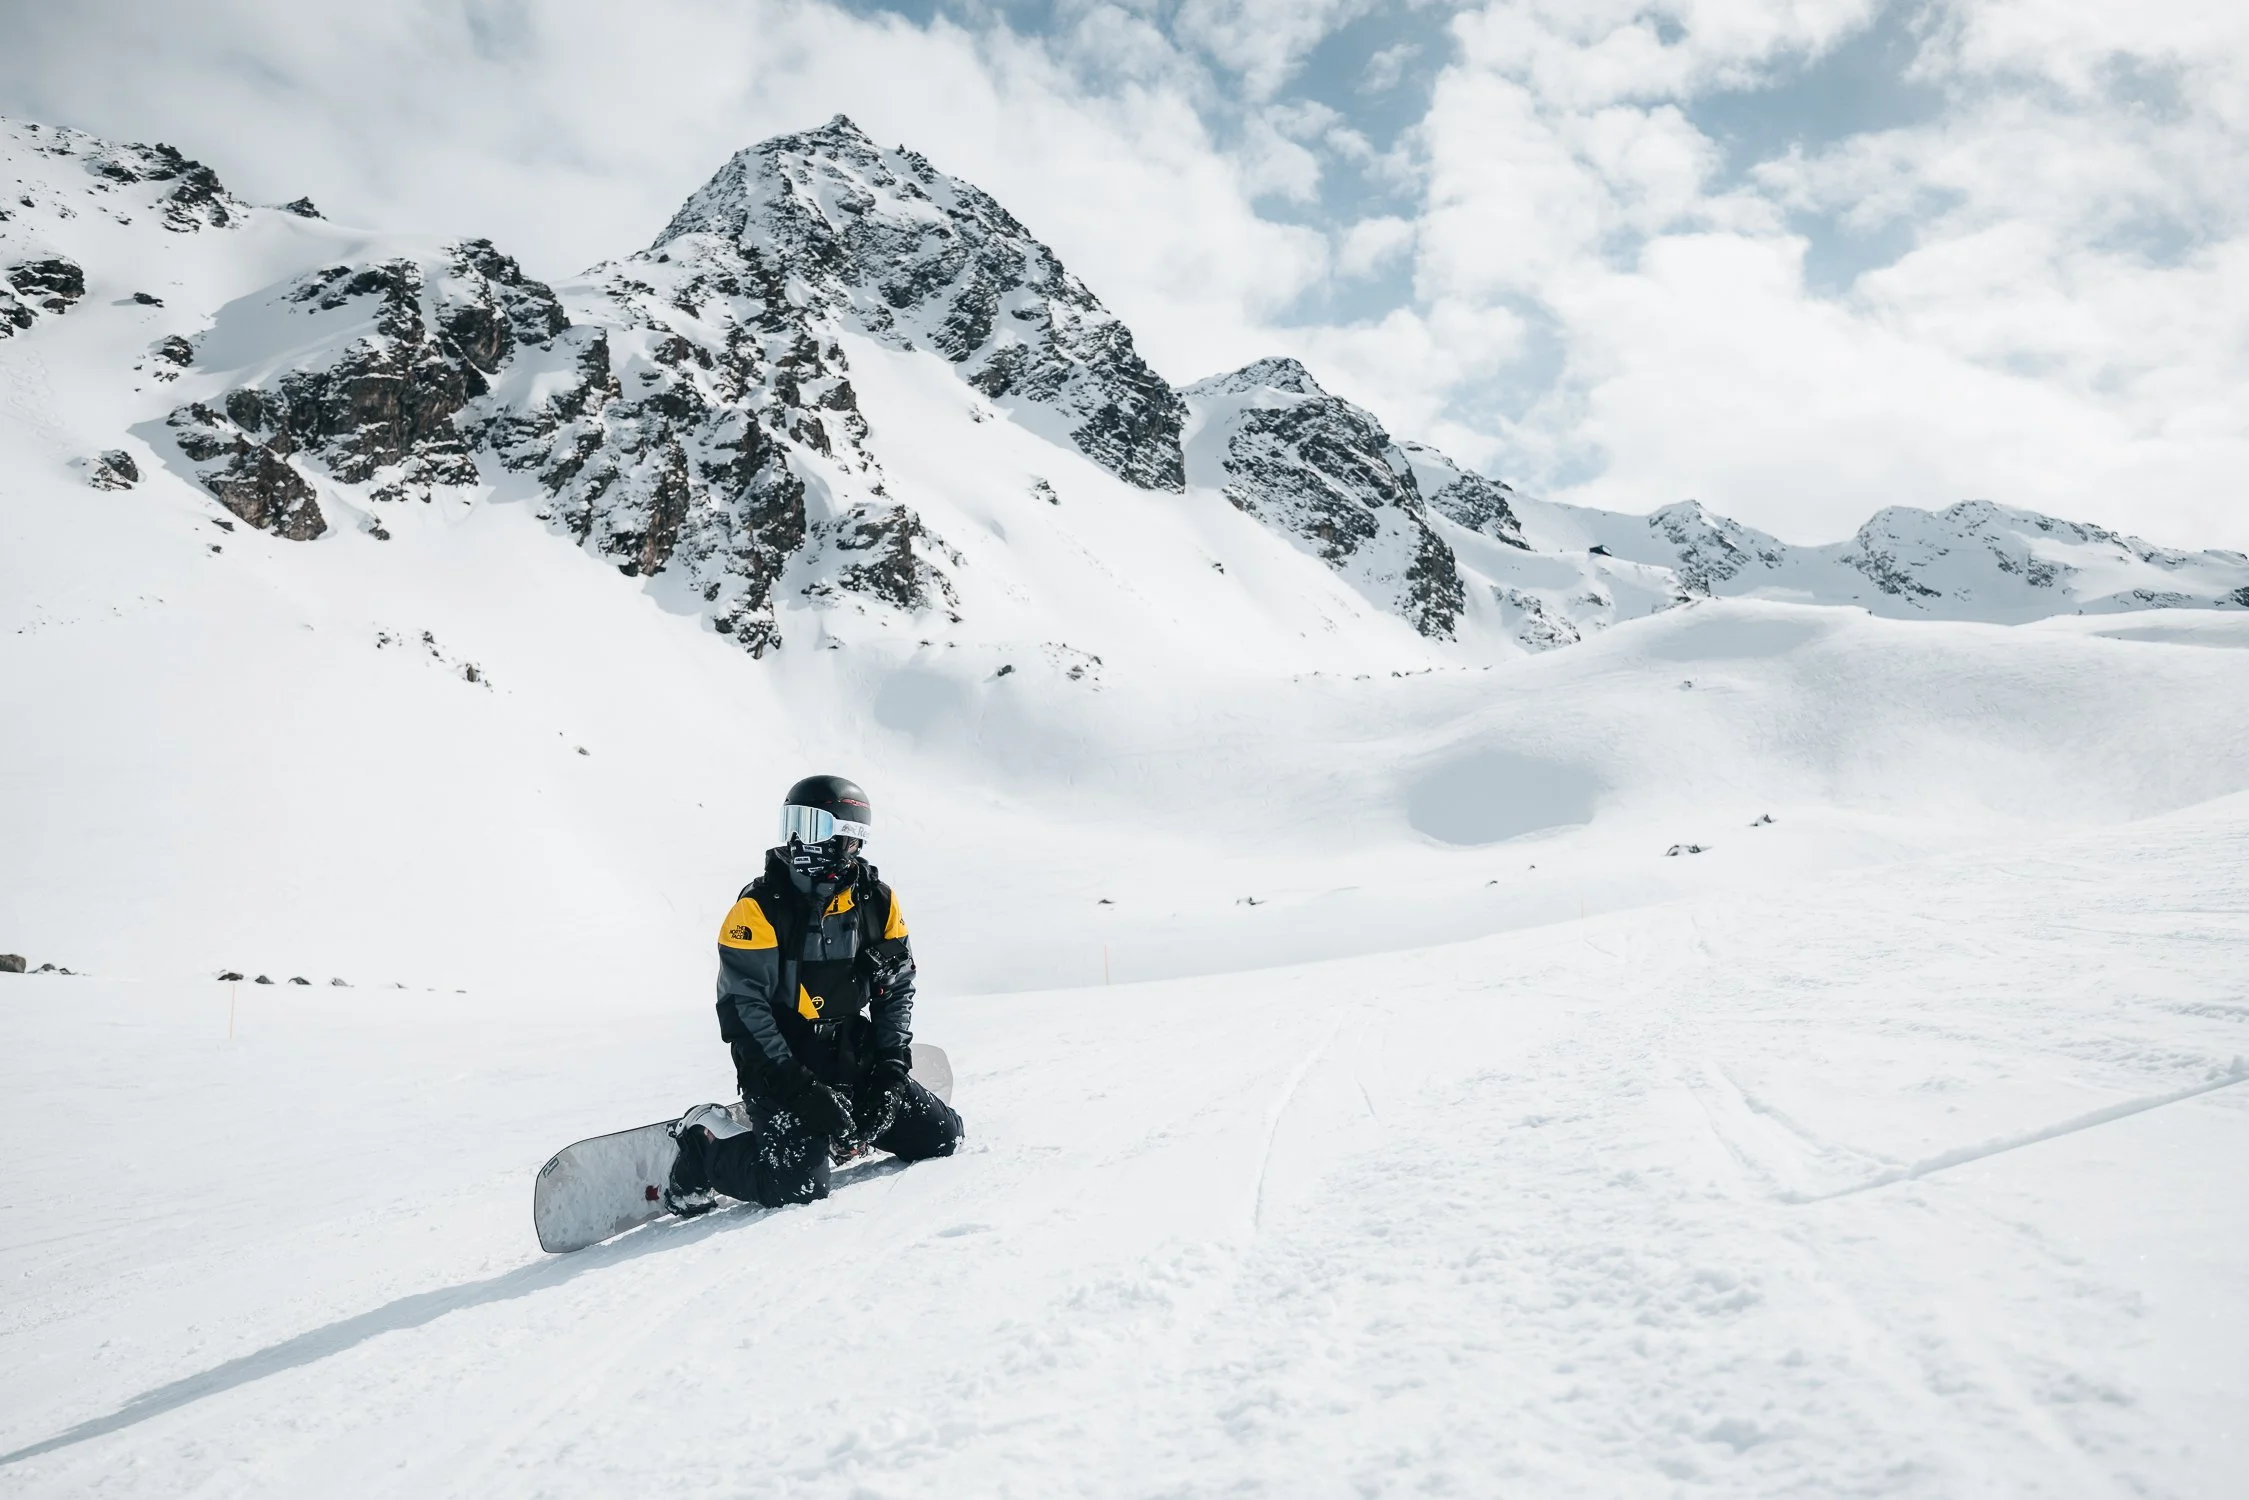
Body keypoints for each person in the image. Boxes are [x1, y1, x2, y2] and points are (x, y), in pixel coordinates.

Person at [664, 774, 962, 1215]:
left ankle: (843, 1125)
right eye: (792, 824)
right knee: (796, 1185)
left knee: (941, 1137)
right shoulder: (759, 908)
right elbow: (744, 1011)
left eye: (814, 826)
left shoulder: (877, 902)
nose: (799, 839)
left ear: (850, 838)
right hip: (778, 1056)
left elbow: (895, 987)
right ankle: (702, 1144)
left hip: (845, 1045)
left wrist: (890, 1071)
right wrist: (798, 1088)